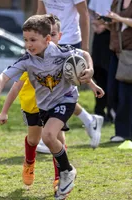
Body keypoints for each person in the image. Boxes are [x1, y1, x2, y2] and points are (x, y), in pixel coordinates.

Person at [0, 14, 94, 200]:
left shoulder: (62, 52)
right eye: (26, 39)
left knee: (50, 135)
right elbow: (3, 77)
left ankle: (65, 172)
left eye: (33, 40)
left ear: (48, 39)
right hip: (44, 107)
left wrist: (90, 72)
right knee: (43, 139)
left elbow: (84, 54)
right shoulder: (27, 60)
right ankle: (64, 173)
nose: (28, 44)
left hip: (66, 100)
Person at [37, 0, 104, 149]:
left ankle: (54, 137)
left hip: (69, 41)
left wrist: (85, 49)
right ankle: (88, 121)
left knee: (58, 91)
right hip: (48, 42)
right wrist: (35, 39)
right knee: (53, 89)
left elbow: (84, 14)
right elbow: (40, 13)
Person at [105, 0, 132, 142]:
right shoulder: (117, 2)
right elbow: (115, 26)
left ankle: (124, 133)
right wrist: (105, 22)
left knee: (126, 94)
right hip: (115, 51)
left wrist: (119, 18)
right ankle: (125, 127)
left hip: (131, 53)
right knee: (112, 92)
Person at [88, 0, 113, 122]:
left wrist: (104, 25)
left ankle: (112, 110)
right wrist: (95, 24)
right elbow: (91, 12)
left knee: (111, 76)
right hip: (98, 37)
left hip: (111, 35)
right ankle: (99, 111)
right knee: (99, 74)